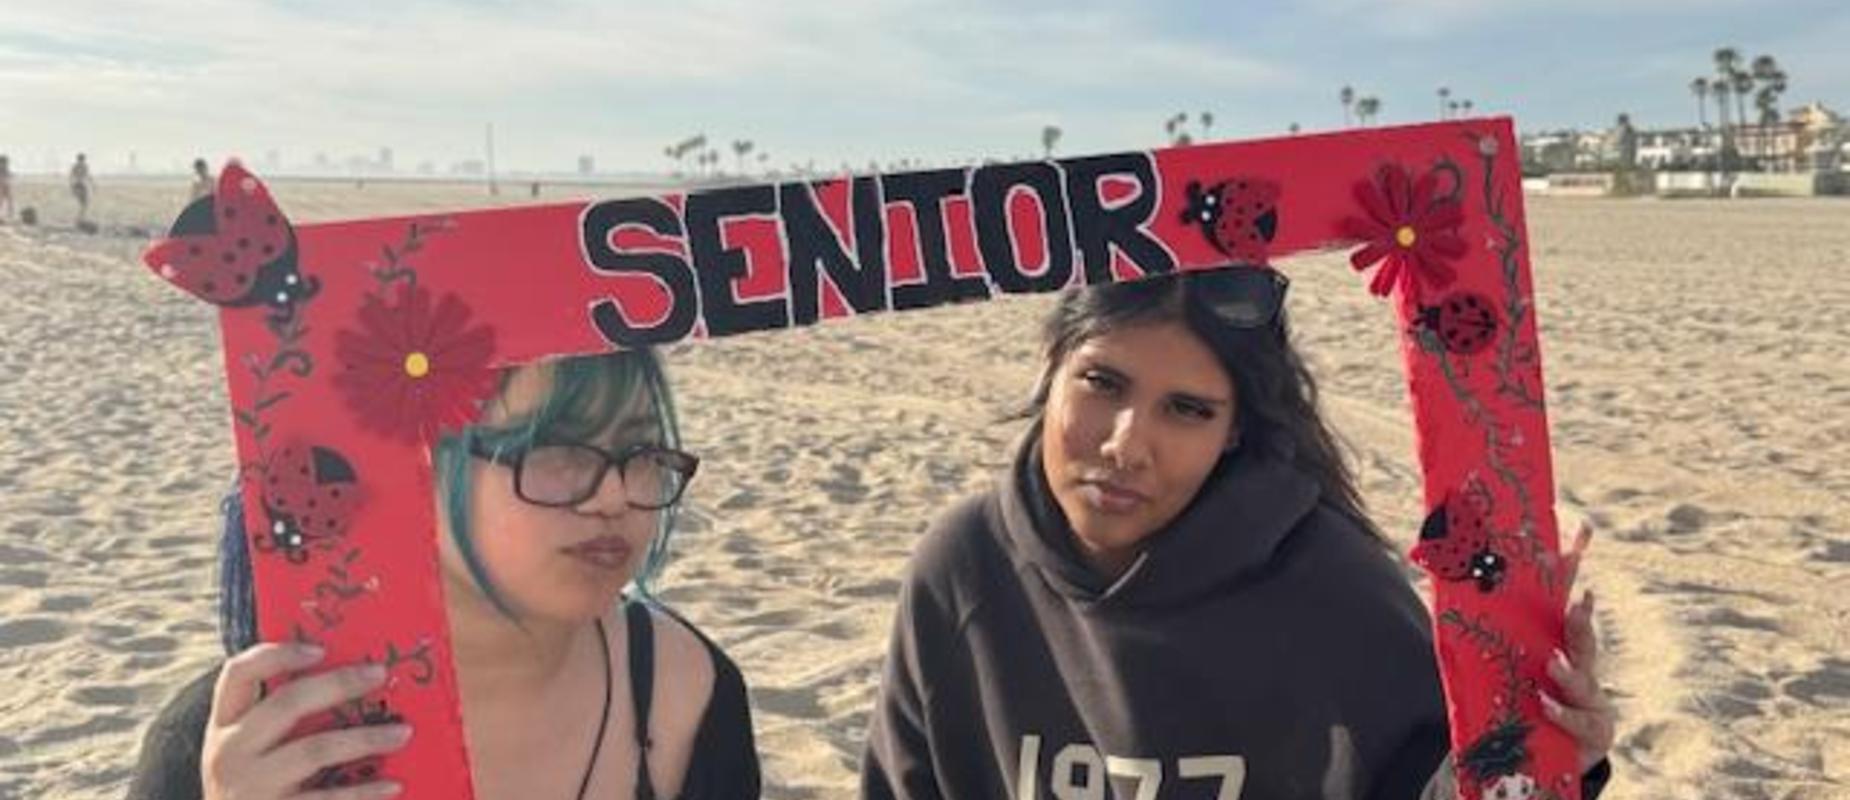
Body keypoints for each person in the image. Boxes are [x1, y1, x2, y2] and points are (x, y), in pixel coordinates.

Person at [861, 267, 1616, 799]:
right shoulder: (963, 566)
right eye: (1102, 383)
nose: (1127, 443)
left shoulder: (1335, 587)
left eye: (1187, 409)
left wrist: (1550, 753)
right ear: (1049, 371)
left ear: (1233, 432)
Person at [128, 350, 761, 799]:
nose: (615, 494)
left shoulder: (687, 692)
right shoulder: (248, 750)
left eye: (642, 450)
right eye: (558, 449)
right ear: (414, 469)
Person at [70, 153, 95, 228]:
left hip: (77, 185)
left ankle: (79, 218)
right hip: (81, 185)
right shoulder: (84, 166)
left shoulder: (75, 166)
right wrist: (92, 183)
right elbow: (87, 175)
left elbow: (71, 176)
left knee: (82, 203)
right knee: (84, 204)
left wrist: (72, 188)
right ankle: (80, 219)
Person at [0, 154, 14, 221]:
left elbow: (9, 175)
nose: (4, 164)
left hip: (6, 186)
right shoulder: (2, 169)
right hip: (2, 186)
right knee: (1, 200)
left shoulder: (6, 169)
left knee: (9, 200)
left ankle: (10, 213)